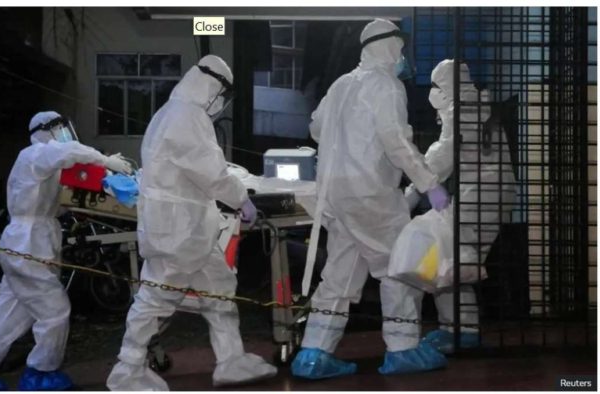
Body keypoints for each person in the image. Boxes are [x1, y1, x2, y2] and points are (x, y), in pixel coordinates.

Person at [290, 19, 450, 380]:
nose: (403, 57)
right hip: (372, 195)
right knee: (400, 268)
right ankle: (403, 348)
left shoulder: (341, 84)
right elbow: (397, 144)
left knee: (339, 277)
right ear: (390, 46)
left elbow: (315, 128)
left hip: (336, 195)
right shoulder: (386, 86)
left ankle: (313, 354)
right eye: (401, 49)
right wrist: (428, 184)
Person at [106, 55, 277, 391]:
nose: (222, 104)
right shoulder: (187, 116)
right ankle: (127, 370)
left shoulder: (170, 113)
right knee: (156, 298)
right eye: (223, 95)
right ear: (213, 88)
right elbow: (211, 173)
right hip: (178, 232)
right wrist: (242, 199)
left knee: (219, 289)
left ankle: (231, 360)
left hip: (189, 230)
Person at [0, 111, 132, 391]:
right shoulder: (35, 154)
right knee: (54, 311)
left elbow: (53, 201)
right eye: (60, 129)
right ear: (47, 130)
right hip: (27, 245)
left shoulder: (46, 165)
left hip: (33, 242)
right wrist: (104, 160)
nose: (64, 133)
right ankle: (40, 373)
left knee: (10, 314)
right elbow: (67, 151)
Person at [401, 59, 517, 355]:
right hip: (484, 193)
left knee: (445, 261)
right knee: (449, 262)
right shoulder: (474, 105)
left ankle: (462, 331)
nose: (432, 93)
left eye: (436, 86)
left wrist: (414, 190)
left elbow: (442, 155)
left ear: (445, 87)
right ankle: (455, 329)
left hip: (483, 195)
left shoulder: (462, 110)